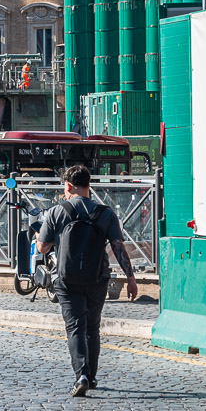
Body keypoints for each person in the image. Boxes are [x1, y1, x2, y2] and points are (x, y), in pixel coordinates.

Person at [35, 164, 138, 398]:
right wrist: (130, 278)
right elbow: (118, 247)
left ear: (69, 185)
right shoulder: (105, 213)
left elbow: (43, 246)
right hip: (97, 278)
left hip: (66, 279)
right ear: (88, 185)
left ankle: (80, 375)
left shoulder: (56, 211)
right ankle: (90, 377)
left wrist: (39, 237)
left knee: (75, 327)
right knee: (92, 327)